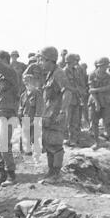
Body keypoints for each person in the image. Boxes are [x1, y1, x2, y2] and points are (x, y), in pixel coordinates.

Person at [37, 46, 70, 181]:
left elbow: (67, 92)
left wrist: (62, 111)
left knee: (55, 144)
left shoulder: (58, 73)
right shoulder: (50, 74)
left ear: (49, 60)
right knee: (48, 143)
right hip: (48, 116)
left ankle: (56, 174)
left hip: (56, 116)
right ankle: (51, 172)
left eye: (41, 60)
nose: (40, 63)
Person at [0, 50, 19, 187]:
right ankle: (2, 174)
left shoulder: (12, 74)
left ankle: (11, 175)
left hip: (8, 114)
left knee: (4, 144)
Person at [88, 57, 110, 150]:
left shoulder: (109, 76)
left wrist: (96, 90)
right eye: (106, 65)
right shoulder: (92, 74)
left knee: (108, 123)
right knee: (94, 123)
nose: (107, 67)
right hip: (94, 101)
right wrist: (97, 103)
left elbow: (108, 87)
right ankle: (96, 143)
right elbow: (91, 91)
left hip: (106, 102)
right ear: (101, 65)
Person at [64, 54, 84, 146]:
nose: (76, 62)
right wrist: (74, 89)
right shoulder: (64, 71)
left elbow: (79, 83)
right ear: (69, 62)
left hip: (76, 98)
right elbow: (64, 85)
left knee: (75, 120)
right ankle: (65, 138)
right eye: (74, 61)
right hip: (67, 98)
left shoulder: (76, 71)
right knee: (66, 119)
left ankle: (73, 139)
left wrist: (80, 90)